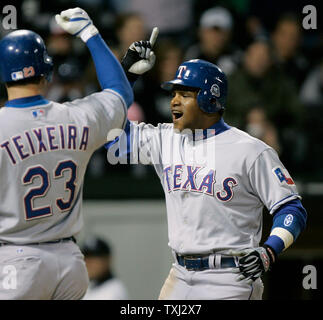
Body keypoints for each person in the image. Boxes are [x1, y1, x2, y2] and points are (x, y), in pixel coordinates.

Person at [106, 39, 307, 299]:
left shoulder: (250, 150)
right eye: (174, 94)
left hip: (230, 277)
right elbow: (113, 139)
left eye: (185, 94)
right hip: (178, 274)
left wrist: (270, 249)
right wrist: (126, 78)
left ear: (209, 98)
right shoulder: (165, 138)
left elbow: (291, 208)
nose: (174, 102)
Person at [0, 7, 133, 300]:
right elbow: (121, 92)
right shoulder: (77, 117)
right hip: (69, 261)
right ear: (47, 72)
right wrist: (90, 34)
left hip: (16, 259)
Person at [81, 236, 129, 300]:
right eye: (85, 258)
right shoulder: (87, 286)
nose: (88, 263)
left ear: (107, 260)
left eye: (94, 259)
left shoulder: (115, 291)